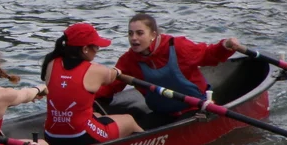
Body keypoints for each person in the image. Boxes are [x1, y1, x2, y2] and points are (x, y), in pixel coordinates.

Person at [95, 13, 244, 127]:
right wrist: (88, 97)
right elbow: (111, 85)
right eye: (130, 33)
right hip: (163, 113)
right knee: (138, 129)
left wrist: (225, 46)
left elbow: (208, 55)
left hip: (195, 108)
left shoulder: (177, 46)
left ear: (153, 35)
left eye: (140, 33)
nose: (133, 38)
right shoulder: (128, 60)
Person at [40, 23, 143, 145]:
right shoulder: (95, 70)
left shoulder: (51, 63)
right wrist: (117, 72)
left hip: (51, 136)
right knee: (129, 121)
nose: (97, 50)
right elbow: (111, 76)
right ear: (85, 49)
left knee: (97, 115)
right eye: (96, 46)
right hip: (80, 136)